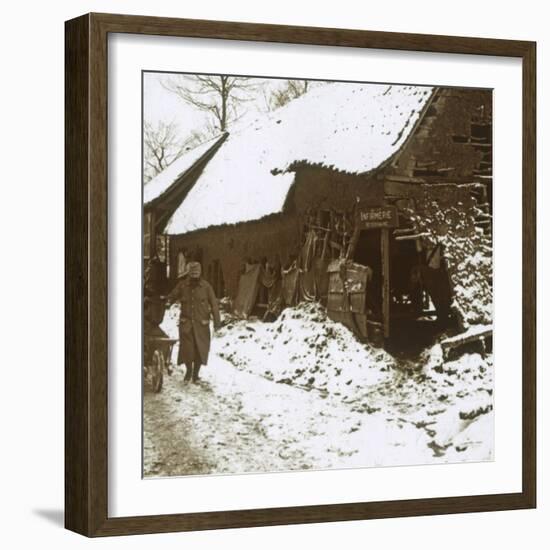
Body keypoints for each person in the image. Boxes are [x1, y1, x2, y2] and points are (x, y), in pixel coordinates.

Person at [165, 261, 221, 384]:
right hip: (187, 325)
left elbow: (214, 305)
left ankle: (196, 375)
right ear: (188, 274)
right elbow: (172, 296)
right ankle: (189, 372)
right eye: (192, 274)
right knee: (187, 351)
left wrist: (217, 323)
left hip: (202, 325)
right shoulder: (182, 286)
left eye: (197, 274)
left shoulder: (207, 287)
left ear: (200, 273)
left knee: (201, 351)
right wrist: (167, 301)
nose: (194, 277)